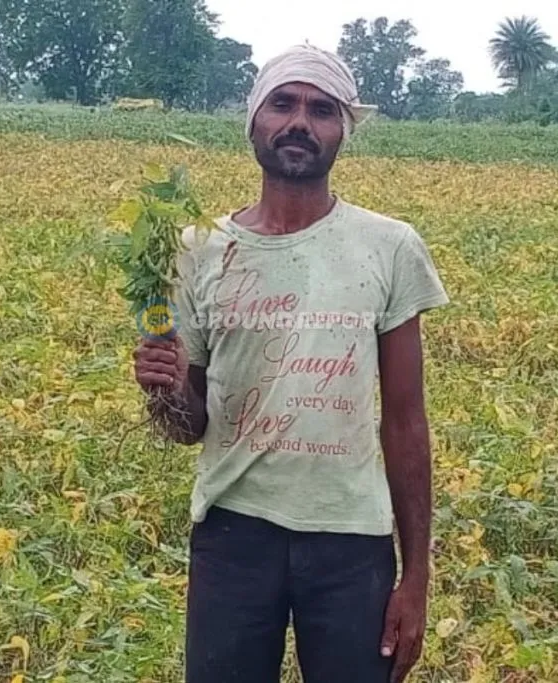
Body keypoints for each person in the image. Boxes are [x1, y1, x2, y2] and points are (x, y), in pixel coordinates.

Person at [132, 44, 450, 683]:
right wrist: (162, 390)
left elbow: (407, 422)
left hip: (351, 540)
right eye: (283, 103)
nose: (300, 122)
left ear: (343, 131)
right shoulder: (197, 250)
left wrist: (415, 579)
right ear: (253, 122)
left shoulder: (388, 246)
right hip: (231, 537)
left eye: (321, 109)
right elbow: (186, 426)